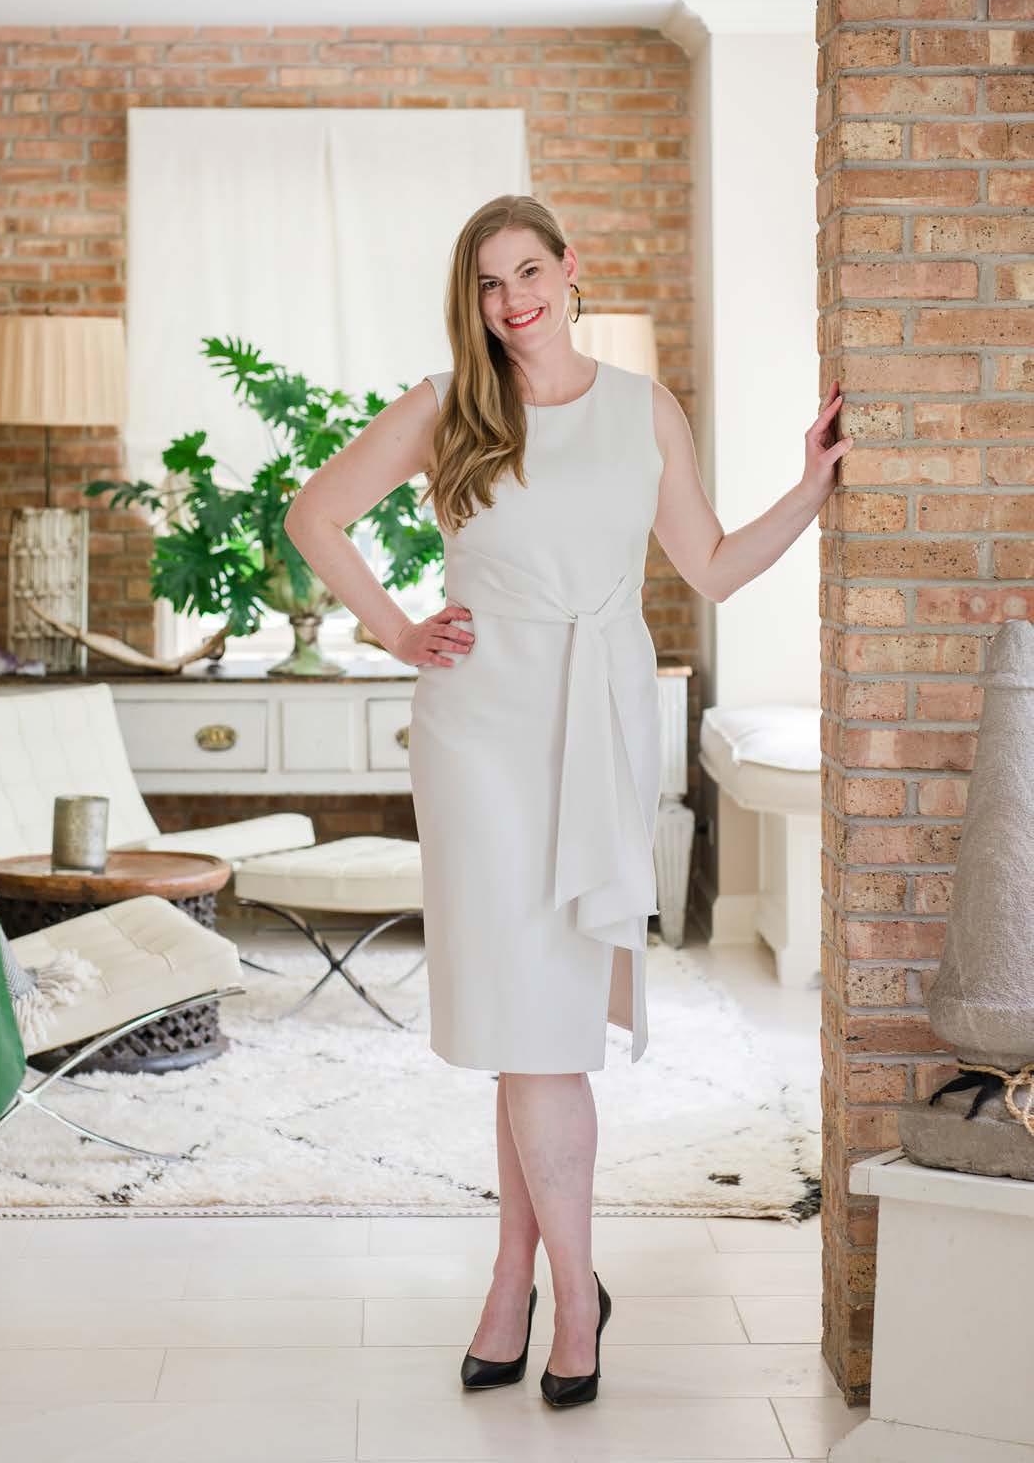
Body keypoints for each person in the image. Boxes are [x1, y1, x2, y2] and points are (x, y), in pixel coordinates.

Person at [283, 192, 850, 1408]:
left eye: (528, 272)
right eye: (489, 284)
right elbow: (313, 514)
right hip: (479, 732)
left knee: (535, 1025)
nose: (512, 301)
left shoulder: (644, 408)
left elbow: (711, 565)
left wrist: (810, 487)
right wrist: (397, 629)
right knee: (521, 1018)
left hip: (598, 719)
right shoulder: (448, 406)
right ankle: (571, 1294)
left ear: (568, 268)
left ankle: (523, 1280)